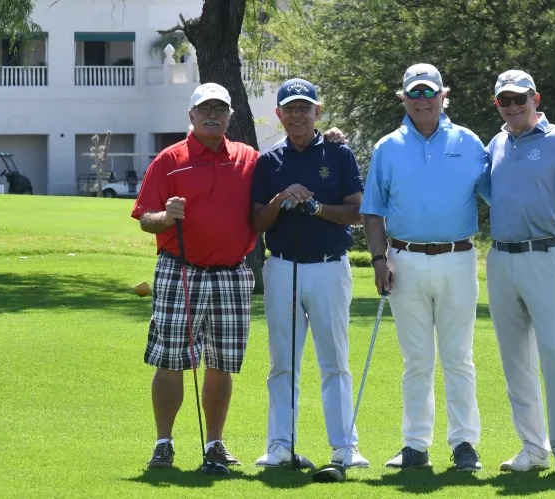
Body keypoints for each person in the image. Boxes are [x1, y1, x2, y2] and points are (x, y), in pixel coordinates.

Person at [360, 63, 487, 472]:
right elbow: (373, 210)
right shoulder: (387, 147)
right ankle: (415, 445)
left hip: (458, 258)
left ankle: (464, 443)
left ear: (443, 96)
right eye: (413, 93)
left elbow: (498, 193)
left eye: (429, 92)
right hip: (404, 260)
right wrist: (378, 259)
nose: (421, 100)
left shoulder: (468, 142)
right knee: (416, 359)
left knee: (458, 357)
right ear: (403, 99)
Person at [478, 70, 555, 475]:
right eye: (505, 100)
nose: (514, 106)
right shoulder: (495, 144)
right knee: (515, 359)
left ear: (535, 99)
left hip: (544, 254)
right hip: (500, 258)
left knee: (552, 351)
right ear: (497, 104)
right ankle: (534, 447)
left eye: (521, 99)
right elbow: (486, 188)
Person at [132, 82, 259, 469]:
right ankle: (163, 443)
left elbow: (287, 164)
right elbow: (145, 218)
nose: (213, 115)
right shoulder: (169, 160)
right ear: (191, 115)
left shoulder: (248, 158)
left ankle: (214, 444)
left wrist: (328, 140)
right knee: (171, 359)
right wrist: (165, 216)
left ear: (230, 116)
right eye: (205, 109)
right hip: (180, 270)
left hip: (232, 274)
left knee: (221, 362)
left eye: (220, 110)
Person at [249, 78, 369, 469]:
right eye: (290, 109)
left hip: (329, 267)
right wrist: (281, 199)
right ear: (279, 114)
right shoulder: (268, 161)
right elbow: (257, 222)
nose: (297, 115)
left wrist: (316, 208)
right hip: (282, 267)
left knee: (335, 361)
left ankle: (344, 446)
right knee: (283, 363)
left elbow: (357, 211)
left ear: (317, 111)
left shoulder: (339, 153)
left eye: (305, 108)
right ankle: (280, 445)